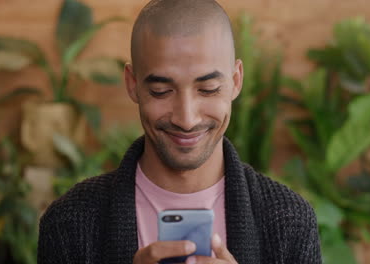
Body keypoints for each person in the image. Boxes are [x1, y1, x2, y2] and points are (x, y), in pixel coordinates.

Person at [38, 0, 322, 263]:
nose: (186, 119)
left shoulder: (290, 221)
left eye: (208, 89)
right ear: (132, 84)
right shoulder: (70, 224)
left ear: (236, 81)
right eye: (161, 91)